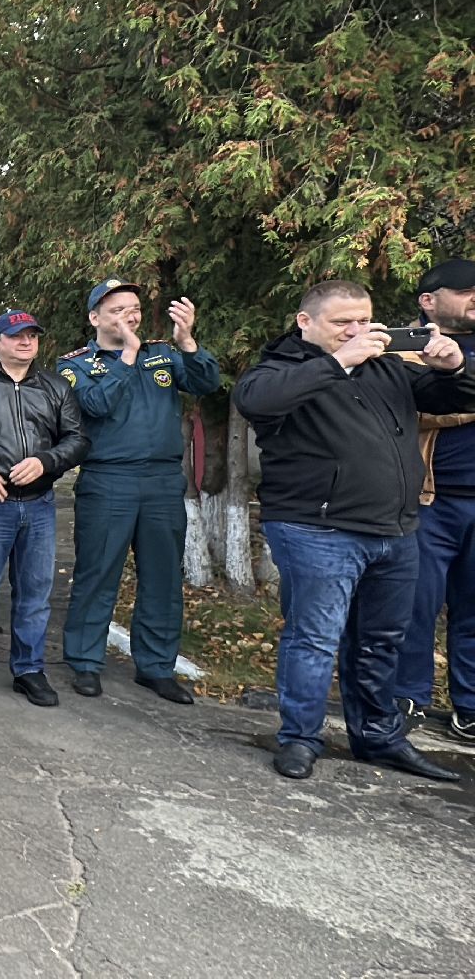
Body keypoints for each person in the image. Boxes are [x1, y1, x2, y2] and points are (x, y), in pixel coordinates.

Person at [233, 279, 475, 782]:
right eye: (342, 322)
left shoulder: (384, 365)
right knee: (315, 639)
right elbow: (256, 400)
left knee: (381, 641)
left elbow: (450, 398)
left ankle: (378, 738)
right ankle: (300, 738)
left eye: (364, 320)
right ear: (306, 322)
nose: (356, 330)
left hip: (394, 528)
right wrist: (339, 362)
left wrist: (454, 366)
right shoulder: (280, 367)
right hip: (317, 528)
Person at [57, 280, 220, 703]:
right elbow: (96, 406)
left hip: (162, 481)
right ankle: (85, 662)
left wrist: (187, 342)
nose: (129, 316)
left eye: (134, 308)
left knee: (163, 577)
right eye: (117, 310)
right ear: (94, 318)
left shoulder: (162, 353)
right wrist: (128, 356)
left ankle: (156, 667)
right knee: (98, 573)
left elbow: (206, 383)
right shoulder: (75, 366)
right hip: (109, 480)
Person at [0, 310, 89, 706]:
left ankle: (29, 670)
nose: (26, 342)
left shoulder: (56, 386)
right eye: (16, 336)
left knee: (35, 594)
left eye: (32, 335)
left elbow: (77, 439)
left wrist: (47, 461)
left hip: (39, 506)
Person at [399, 258, 475, 739]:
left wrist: (460, 386)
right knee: (414, 607)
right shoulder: (407, 346)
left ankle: (471, 709)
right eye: (465, 290)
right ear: (429, 301)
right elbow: (414, 408)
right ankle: (407, 699)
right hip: (431, 500)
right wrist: (460, 389)